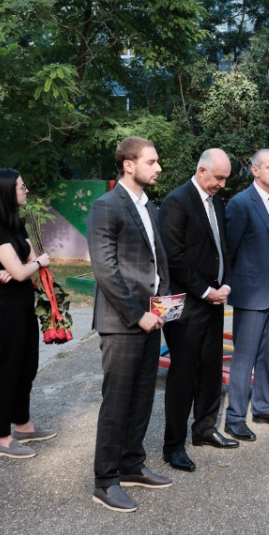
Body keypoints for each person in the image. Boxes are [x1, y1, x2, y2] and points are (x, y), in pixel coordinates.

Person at [88, 137, 173, 513]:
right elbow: (105, 270)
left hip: (151, 318)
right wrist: (138, 314)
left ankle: (131, 465)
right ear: (128, 165)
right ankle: (105, 481)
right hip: (123, 321)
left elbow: (157, 260)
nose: (158, 168)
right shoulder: (106, 206)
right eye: (151, 162)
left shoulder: (148, 206)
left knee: (141, 398)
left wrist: (162, 305)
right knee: (117, 402)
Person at [157, 149, 239, 473]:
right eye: (218, 177)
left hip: (214, 301)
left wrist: (226, 283)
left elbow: (223, 248)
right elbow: (173, 256)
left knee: (210, 369)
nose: (222, 184)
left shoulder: (216, 202)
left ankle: (204, 428)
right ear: (201, 170)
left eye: (225, 179)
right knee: (183, 375)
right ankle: (173, 446)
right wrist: (206, 291)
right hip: (184, 305)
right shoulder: (177, 201)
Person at [0, 169, 55, 460]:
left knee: (27, 366)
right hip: (4, 308)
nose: (26, 190)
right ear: (6, 191)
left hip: (22, 304)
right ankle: (2, 438)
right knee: (8, 369)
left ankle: (23, 425)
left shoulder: (14, 224)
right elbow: (30, 266)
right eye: (21, 186)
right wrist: (30, 266)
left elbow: (28, 263)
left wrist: (26, 266)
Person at [225, 149, 269, 440]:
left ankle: (263, 407)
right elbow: (229, 250)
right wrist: (229, 286)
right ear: (255, 170)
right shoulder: (241, 203)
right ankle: (234, 417)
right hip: (250, 292)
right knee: (244, 357)